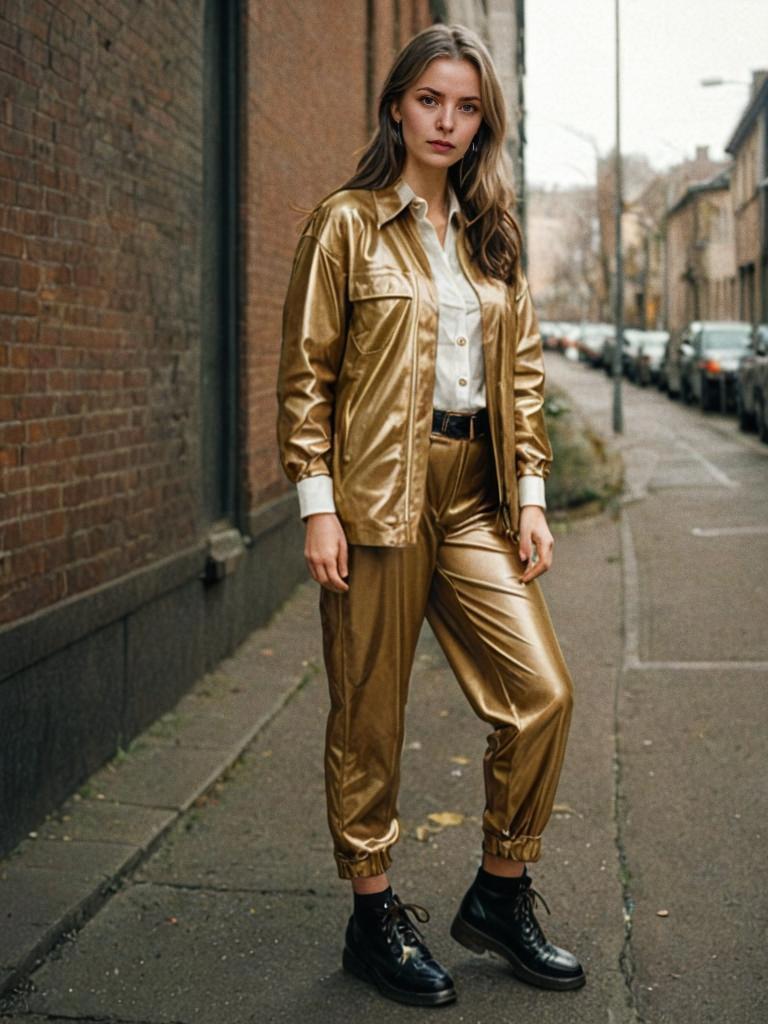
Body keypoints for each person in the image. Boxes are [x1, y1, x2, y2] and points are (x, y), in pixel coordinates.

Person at [276, 22, 585, 1008]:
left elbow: (524, 380)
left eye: (466, 106)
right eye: (429, 101)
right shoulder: (347, 224)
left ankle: (500, 887)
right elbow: (306, 377)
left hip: (473, 497)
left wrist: (530, 496)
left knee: (542, 693)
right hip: (373, 497)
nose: (447, 121)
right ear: (396, 106)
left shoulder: (493, 237)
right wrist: (316, 507)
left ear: (483, 121)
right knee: (370, 709)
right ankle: (373, 915)